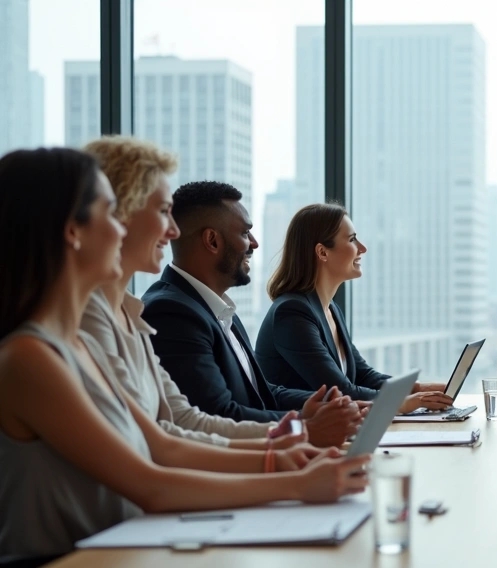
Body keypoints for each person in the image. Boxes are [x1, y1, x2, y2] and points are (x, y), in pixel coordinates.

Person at [0, 148, 369, 560]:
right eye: (110, 213)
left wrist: (285, 455)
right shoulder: (29, 357)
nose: (123, 231)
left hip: (117, 563)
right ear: (73, 230)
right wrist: (291, 476)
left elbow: (165, 441)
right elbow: (151, 482)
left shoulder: (82, 343)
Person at [80, 136, 324, 451]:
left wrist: (304, 425)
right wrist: (298, 437)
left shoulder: (134, 313)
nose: (173, 231)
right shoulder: (163, 311)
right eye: (164, 211)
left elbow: (182, 422)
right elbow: (160, 449)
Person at [141, 181, 361, 446]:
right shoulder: (172, 313)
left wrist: (328, 406)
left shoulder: (218, 308)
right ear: (212, 240)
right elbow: (219, 414)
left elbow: (263, 392)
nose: (254, 244)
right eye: (246, 233)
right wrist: (304, 423)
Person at [255, 203, 452, 414]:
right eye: (352, 240)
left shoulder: (331, 310)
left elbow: (363, 375)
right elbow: (340, 390)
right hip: (303, 436)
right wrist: (403, 402)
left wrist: (419, 389)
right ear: (322, 252)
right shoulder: (292, 313)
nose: (363, 248)